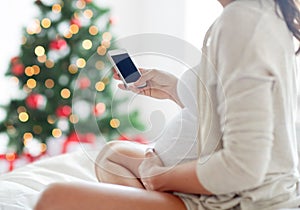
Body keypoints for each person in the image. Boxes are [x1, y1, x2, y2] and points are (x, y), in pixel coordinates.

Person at [34, 0, 300, 209]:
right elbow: (228, 106)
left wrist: (159, 177)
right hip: (219, 189)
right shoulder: (257, 13)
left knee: (54, 199)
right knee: (112, 155)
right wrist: (173, 88)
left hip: (235, 200)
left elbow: (245, 168)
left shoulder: (243, 21)